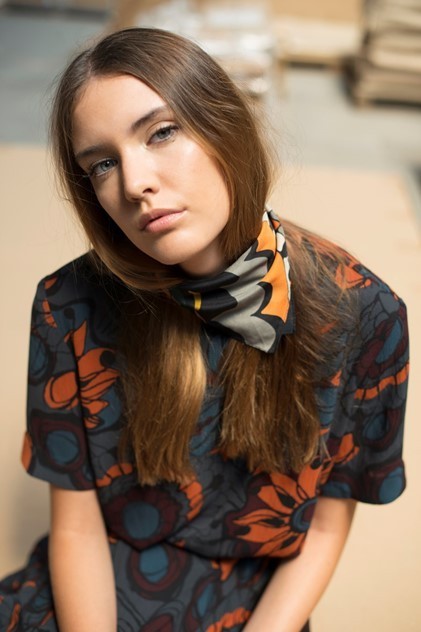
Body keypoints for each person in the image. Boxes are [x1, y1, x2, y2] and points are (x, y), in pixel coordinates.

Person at [0, 27, 409, 632]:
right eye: (103, 163)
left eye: (161, 133)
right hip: (98, 584)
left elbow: (326, 527)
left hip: (259, 604)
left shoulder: (367, 314)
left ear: (225, 127)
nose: (134, 183)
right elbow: (78, 528)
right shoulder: (68, 306)